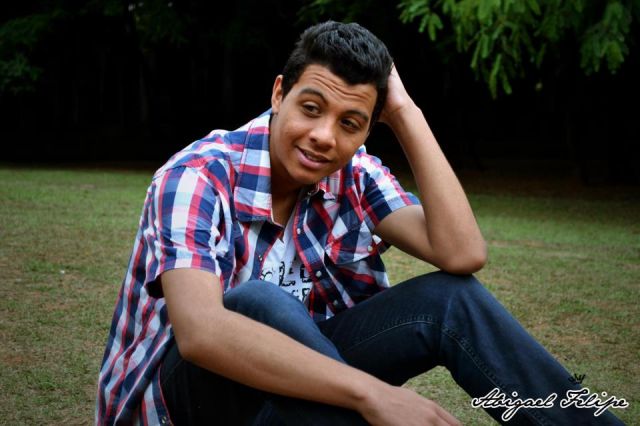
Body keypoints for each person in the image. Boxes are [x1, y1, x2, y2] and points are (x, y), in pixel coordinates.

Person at [96, 21, 624, 425]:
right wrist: (372, 393)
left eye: (350, 123)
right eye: (311, 108)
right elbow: (201, 334)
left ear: (369, 128)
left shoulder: (353, 173)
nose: (324, 136)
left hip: (304, 393)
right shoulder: (199, 175)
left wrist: (406, 112)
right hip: (185, 403)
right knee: (258, 302)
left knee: (450, 300)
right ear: (278, 94)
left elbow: (461, 253)